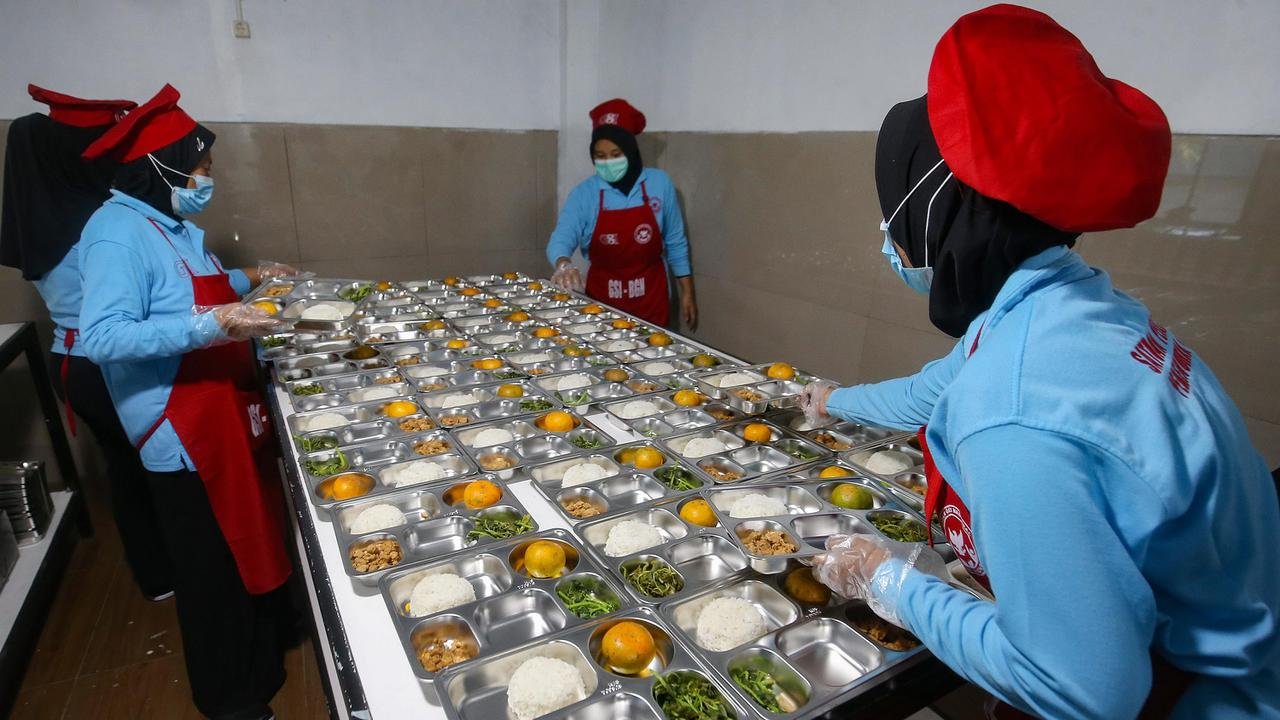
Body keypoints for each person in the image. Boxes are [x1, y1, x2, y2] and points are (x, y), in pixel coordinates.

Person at [803, 6, 1279, 719]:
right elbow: (933, 390)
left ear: (932, 219)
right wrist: (831, 400)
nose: (886, 238)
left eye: (890, 215)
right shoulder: (1070, 312)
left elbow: (1084, 692)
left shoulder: (1014, 411)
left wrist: (887, 583)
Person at [77, 84, 294, 720]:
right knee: (209, 569)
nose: (207, 180)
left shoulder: (168, 225)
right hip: (180, 426)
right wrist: (214, 325)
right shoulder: (116, 233)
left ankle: (260, 666)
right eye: (201, 168)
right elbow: (103, 336)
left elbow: (196, 289)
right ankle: (231, 701)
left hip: (220, 406)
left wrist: (253, 280)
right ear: (162, 165)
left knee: (240, 546)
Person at [0, 84, 179, 601]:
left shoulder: (42, 218)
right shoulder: (100, 227)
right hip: (111, 365)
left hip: (73, 362)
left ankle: (156, 575)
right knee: (151, 473)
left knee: (124, 471)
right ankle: (171, 570)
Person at [546, 98, 697, 328]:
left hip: (651, 301)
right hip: (602, 305)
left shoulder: (659, 184)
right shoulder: (585, 194)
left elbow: (676, 241)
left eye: (616, 154)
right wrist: (563, 264)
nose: (608, 162)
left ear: (630, 150)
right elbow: (560, 239)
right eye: (600, 156)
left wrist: (687, 292)